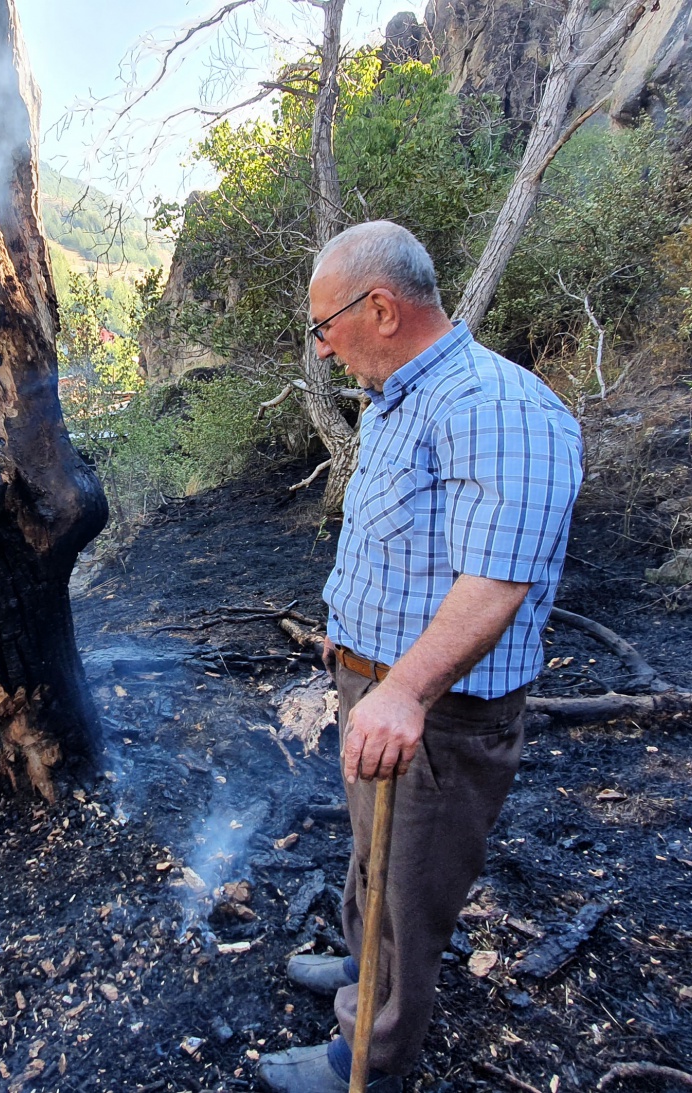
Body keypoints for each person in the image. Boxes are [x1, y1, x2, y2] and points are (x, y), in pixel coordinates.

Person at [258, 221, 583, 1093]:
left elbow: (495, 581)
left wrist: (400, 690)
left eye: (325, 327)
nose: (322, 351)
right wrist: (349, 636)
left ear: (382, 309)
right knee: (373, 855)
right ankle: (367, 975)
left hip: (437, 708)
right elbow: (399, 546)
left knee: (411, 887)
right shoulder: (405, 398)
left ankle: (369, 1054)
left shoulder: (495, 407)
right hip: (381, 684)